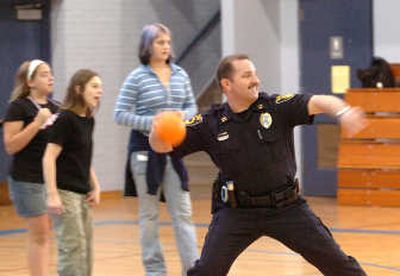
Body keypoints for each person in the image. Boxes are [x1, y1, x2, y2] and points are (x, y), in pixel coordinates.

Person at [149, 54, 368, 276]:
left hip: (286, 208)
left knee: (339, 265)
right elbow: (162, 146)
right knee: (207, 271)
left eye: (254, 74)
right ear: (227, 84)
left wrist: (343, 111)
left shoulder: (276, 107)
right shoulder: (210, 123)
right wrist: (158, 130)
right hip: (237, 212)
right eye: (247, 75)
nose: (256, 80)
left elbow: (320, 101)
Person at [114, 23, 199, 275]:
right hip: (143, 152)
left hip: (174, 152)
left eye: (168, 42)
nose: (166, 47)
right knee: (149, 216)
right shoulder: (136, 77)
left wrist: (179, 116)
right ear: (147, 46)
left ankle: (193, 269)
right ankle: (155, 270)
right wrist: (153, 122)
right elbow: (120, 114)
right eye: (160, 42)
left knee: (183, 212)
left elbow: (192, 108)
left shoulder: (180, 74)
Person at [43, 69, 102, 276]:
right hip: (64, 192)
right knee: (72, 247)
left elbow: (83, 158)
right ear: (78, 89)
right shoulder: (65, 119)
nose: (99, 91)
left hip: (82, 192)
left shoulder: (88, 120)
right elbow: (48, 157)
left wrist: (95, 185)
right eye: (94, 86)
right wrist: (52, 194)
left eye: (100, 87)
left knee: (85, 247)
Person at [3, 59, 58, 276]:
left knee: (46, 233)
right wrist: (36, 123)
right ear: (31, 81)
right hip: (27, 179)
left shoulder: (57, 108)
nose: (50, 77)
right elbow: (10, 146)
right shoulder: (18, 107)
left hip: (49, 179)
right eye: (44, 74)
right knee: (40, 234)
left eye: (51, 73)